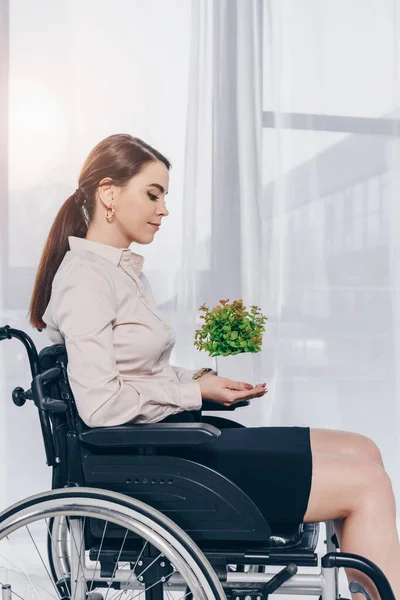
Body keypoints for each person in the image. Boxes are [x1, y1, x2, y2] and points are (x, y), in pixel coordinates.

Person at [29, 133, 399, 600]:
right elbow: (102, 407)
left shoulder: (119, 272)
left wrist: (202, 382)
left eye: (164, 196)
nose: (163, 209)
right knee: (368, 485)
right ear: (108, 193)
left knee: (363, 449)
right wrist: (193, 394)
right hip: (161, 461)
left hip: (173, 439)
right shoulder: (86, 280)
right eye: (153, 194)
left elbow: (137, 373)